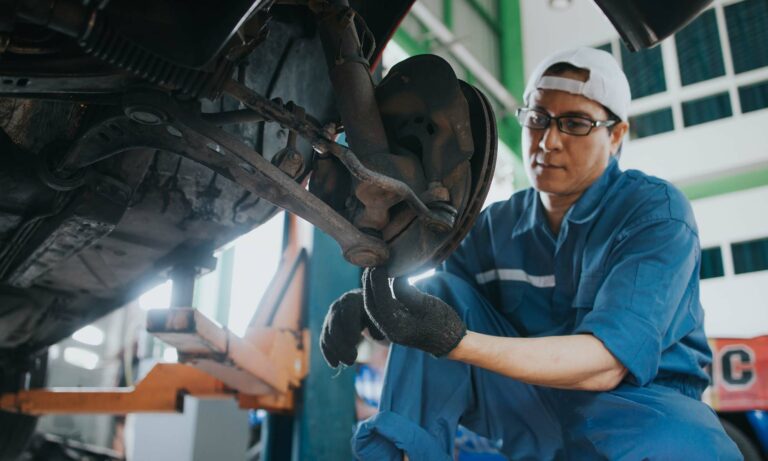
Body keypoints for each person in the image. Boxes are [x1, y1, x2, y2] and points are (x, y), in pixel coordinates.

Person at [320, 47, 742, 460]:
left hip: (635, 413)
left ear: (615, 135)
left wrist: (457, 343)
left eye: (575, 123)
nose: (549, 141)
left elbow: (606, 364)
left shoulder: (654, 214)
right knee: (442, 293)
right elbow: (432, 317)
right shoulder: (494, 226)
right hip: (526, 407)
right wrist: (375, 312)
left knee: (690, 445)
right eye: (538, 119)